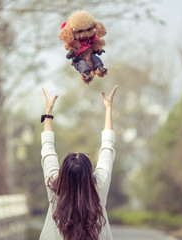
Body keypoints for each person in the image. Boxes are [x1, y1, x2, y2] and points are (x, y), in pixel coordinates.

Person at [40, 85, 118, 240]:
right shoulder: (99, 188)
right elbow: (107, 147)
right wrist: (108, 108)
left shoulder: (55, 190)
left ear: (64, 173)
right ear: (89, 174)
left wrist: (48, 111)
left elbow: (47, 149)